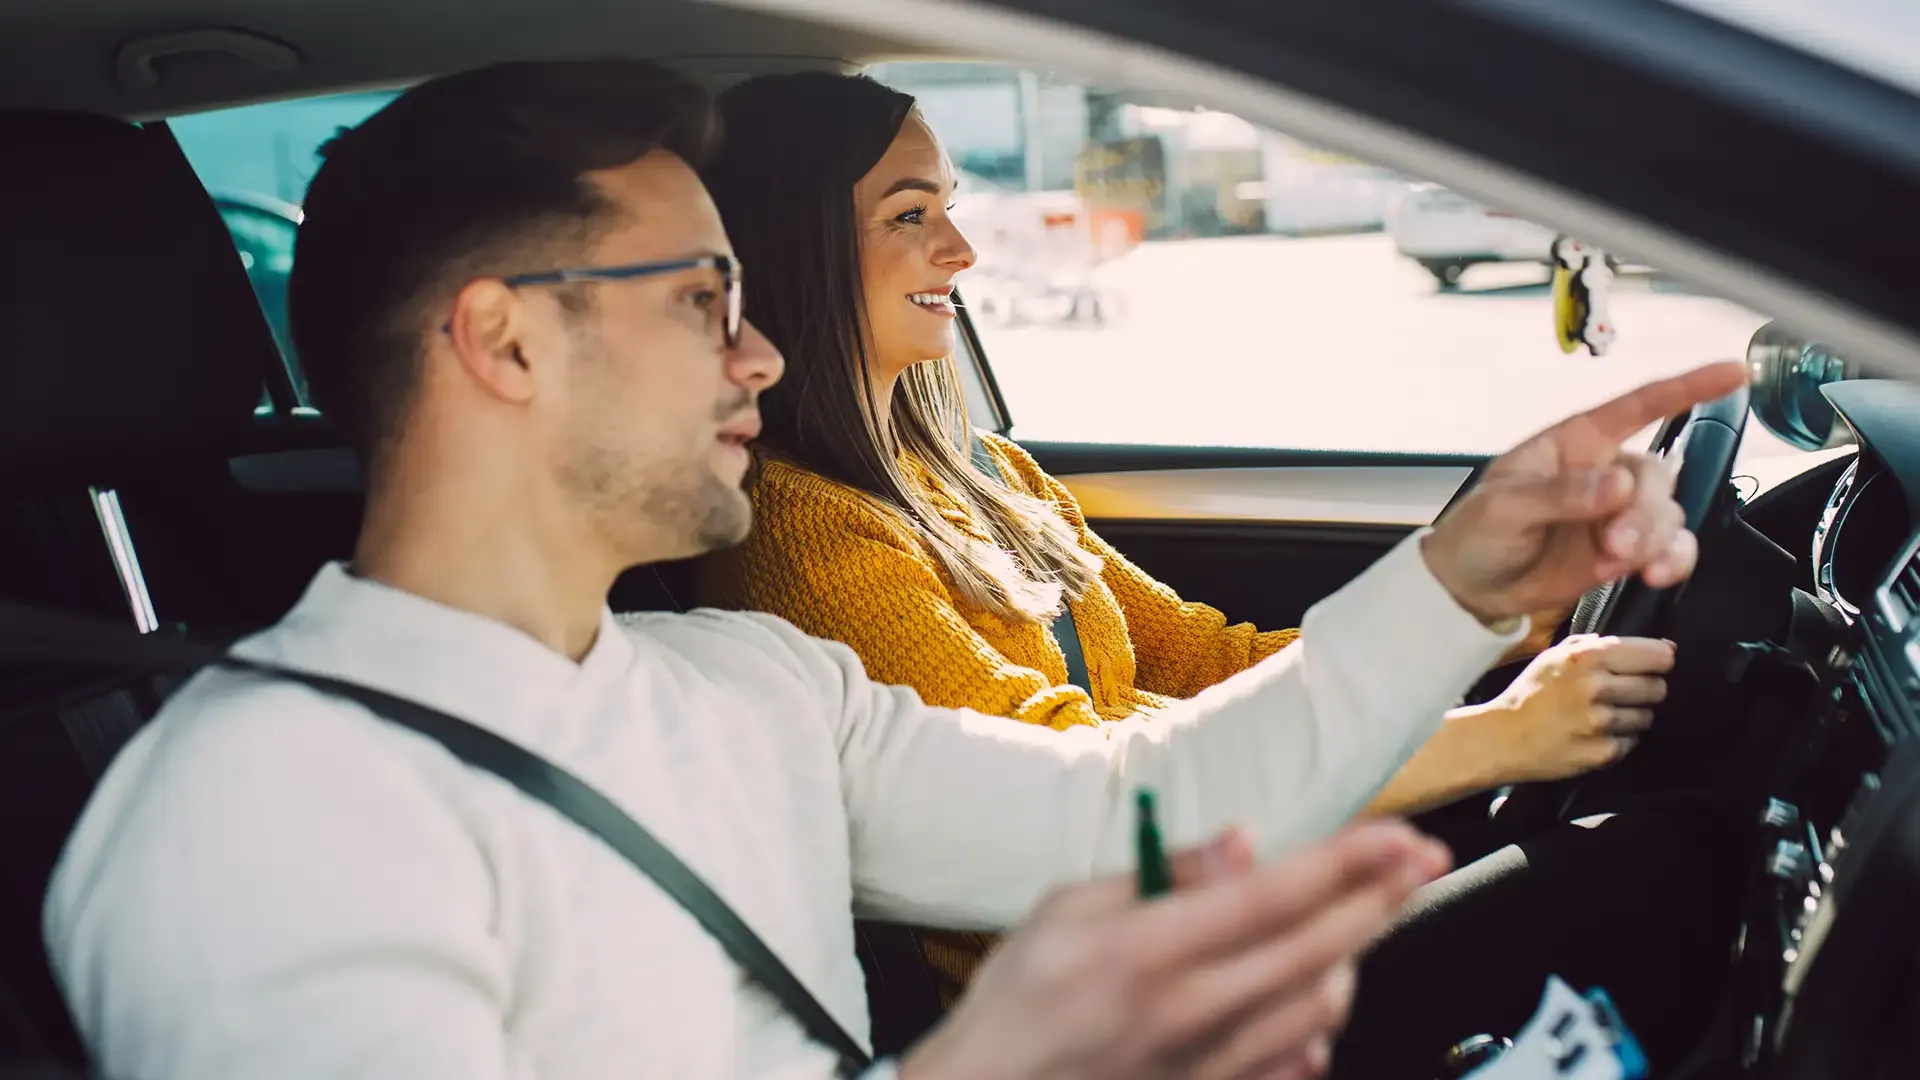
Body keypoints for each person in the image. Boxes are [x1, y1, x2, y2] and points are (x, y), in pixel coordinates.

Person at [40, 58, 1740, 1080]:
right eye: (701, 299)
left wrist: (1456, 578)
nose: (762, 354)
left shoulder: (753, 688)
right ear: (503, 343)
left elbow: (1124, 799)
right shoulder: (262, 810)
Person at [691, 70, 1744, 1075]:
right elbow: (1069, 788)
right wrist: (1491, 736)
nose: (962, 249)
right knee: (1654, 870)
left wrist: (1506, 631)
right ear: (799, 248)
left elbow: (1206, 660)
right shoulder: (804, 535)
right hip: (1120, 1018)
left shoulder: (979, 468)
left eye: (950, 206)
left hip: (1222, 915)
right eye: (911, 215)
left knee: (1643, 852)